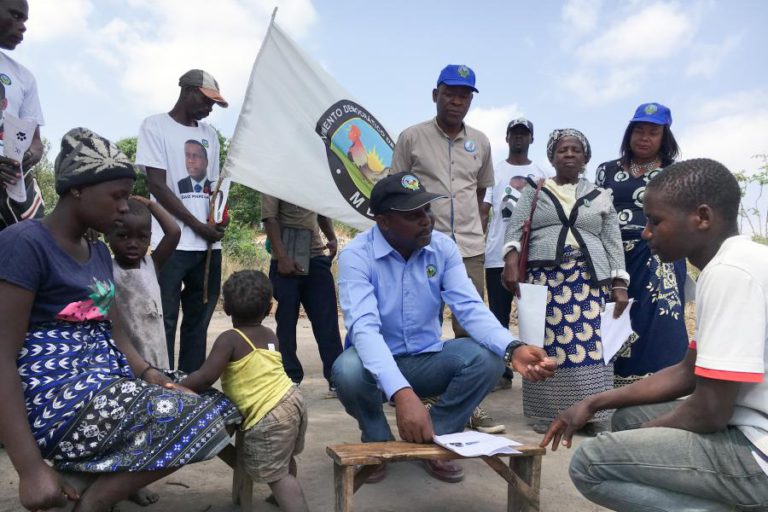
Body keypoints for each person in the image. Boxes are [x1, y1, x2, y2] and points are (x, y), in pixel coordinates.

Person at [0, 128, 239, 512]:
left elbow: (114, 332)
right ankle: (94, 501)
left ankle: (91, 490)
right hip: (59, 399)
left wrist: (154, 377)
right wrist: (29, 469)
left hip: (108, 384)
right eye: (118, 196)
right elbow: (1, 357)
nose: (125, 206)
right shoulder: (25, 243)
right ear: (77, 189)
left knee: (218, 408)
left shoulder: (96, 252)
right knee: (196, 416)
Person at [542, 158, 768, 512]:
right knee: (627, 417)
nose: (646, 232)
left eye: (655, 221)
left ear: (702, 217)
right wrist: (593, 402)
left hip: (758, 456)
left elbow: (710, 411)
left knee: (592, 464)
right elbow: (686, 372)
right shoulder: (733, 262)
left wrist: (638, 440)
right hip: (750, 426)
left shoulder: (730, 274)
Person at [332, 172, 556, 484]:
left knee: (488, 359)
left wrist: (512, 347)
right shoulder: (357, 256)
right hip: (376, 364)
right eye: (413, 215)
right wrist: (403, 394)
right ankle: (376, 440)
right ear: (384, 222)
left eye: (427, 210)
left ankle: (436, 438)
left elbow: (470, 308)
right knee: (346, 370)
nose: (426, 220)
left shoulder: (442, 248)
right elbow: (365, 331)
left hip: (426, 359)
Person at [391, 64, 502, 433]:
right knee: (424, 324)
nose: (457, 101)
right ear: (435, 94)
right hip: (422, 246)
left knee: (471, 327)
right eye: (451, 93)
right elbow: (397, 189)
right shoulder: (411, 138)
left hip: (468, 247)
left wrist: (475, 228)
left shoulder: (481, 142)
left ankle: (472, 407)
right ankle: (422, 399)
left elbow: (481, 192)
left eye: (465, 95)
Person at [501, 128, 629, 434]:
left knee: (591, 347)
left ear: (585, 157)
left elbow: (612, 239)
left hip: (589, 280)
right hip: (546, 278)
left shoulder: (600, 196)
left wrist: (619, 282)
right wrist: (509, 261)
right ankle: (548, 415)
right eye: (562, 150)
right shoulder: (535, 188)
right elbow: (516, 227)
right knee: (548, 344)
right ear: (552, 157)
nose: (569, 154)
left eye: (575, 150)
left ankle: (592, 415)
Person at [180, 270, 309, 512]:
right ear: (270, 308)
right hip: (293, 401)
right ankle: (279, 496)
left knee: (277, 476)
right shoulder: (270, 335)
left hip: (268, 414)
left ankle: (290, 500)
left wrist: (179, 385)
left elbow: (206, 377)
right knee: (284, 458)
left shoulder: (230, 339)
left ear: (227, 308)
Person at [136, 69, 228, 373]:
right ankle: (162, 383)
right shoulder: (155, 126)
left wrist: (217, 221)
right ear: (187, 91)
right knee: (164, 319)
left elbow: (213, 187)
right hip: (171, 242)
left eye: (213, 104)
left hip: (208, 248)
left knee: (197, 322)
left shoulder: (210, 135)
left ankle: (190, 388)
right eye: (206, 101)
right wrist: (196, 225)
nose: (209, 109)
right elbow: (158, 186)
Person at [594, 102, 688, 387]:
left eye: (653, 132)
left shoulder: (676, 172)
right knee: (613, 316)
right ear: (628, 133)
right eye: (638, 130)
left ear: (664, 137)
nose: (644, 137)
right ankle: (611, 384)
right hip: (612, 254)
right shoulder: (605, 170)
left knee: (657, 319)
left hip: (658, 252)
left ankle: (659, 384)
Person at [481, 118, 551, 391]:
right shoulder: (494, 171)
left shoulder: (541, 173)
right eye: (515, 133)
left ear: (531, 139)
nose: (519, 138)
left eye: (525, 134)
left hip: (531, 259)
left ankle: (536, 372)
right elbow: (485, 210)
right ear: (507, 137)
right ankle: (501, 373)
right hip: (496, 255)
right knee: (497, 317)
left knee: (532, 318)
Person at [261, 194, 343, 395]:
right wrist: (282, 258)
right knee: (287, 321)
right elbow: (270, 219)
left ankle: (337, 377)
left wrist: (331, 237)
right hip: (286, 259)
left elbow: (322, 210)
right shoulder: (272, 177)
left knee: (327, 321)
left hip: (316, 257)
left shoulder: (311, 173)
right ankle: (290, 376)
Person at [107, 196, 181, 370]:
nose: (133, 244)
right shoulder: (105, 267)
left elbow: (174, 232)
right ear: (107, 235)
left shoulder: (152, 265)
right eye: (123, 236)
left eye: (142, 237)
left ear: (149, 238)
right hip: (125, 358)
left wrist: (150, 205)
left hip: (157, 352)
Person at [0, 0, 45, 229]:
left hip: (11, 193)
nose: (23, 27)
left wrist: (27, 157)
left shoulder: (23, 77)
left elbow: (35, 143)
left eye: (24, 20)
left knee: (31, 250)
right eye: (16, 16)